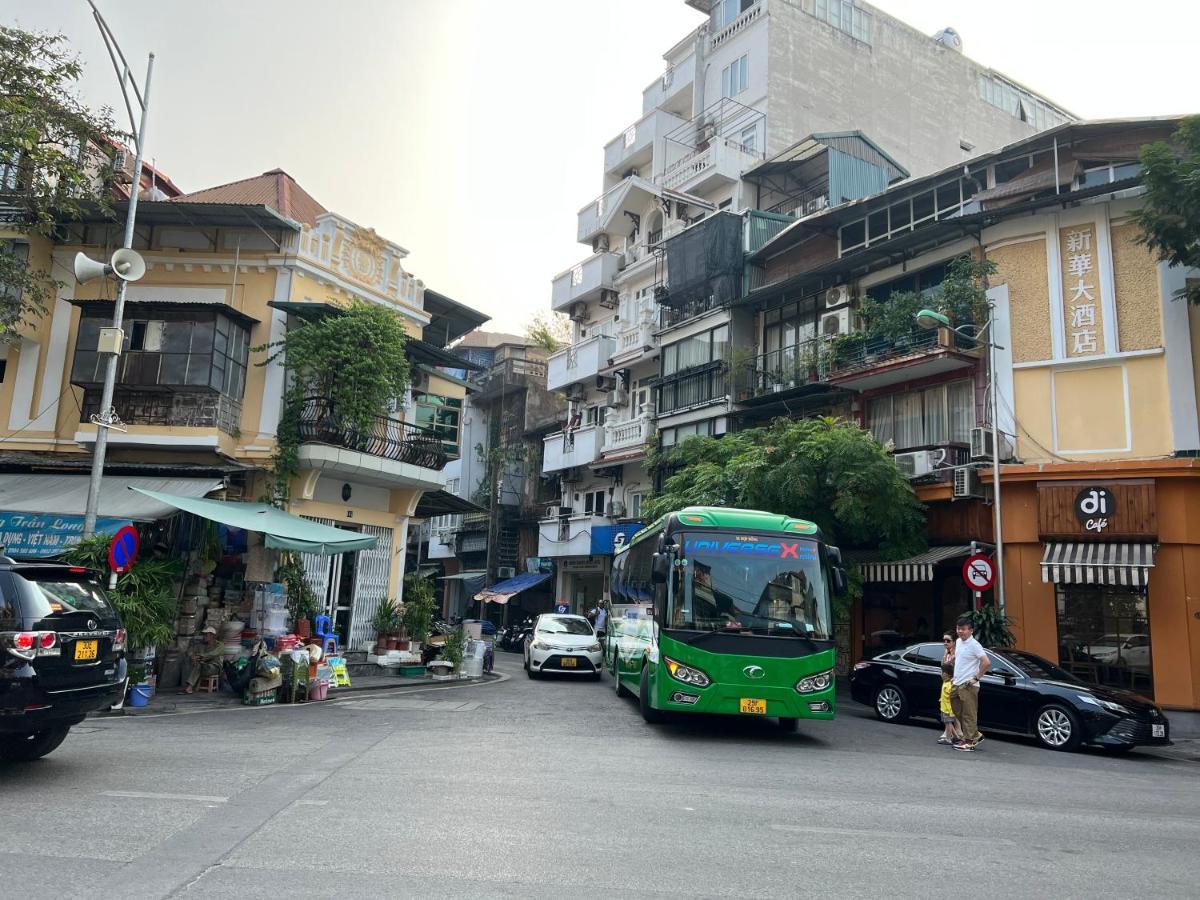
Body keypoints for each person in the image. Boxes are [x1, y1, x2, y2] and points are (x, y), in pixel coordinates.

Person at [950, 614, 990, 751]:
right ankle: (975, 734)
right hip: (956, 683)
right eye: (958, 628)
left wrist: (976, 678)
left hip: (969, 685)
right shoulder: (959, 642)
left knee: (968, 714)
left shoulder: (975, 645)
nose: (960, 631)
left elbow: (986, 662)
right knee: (956, 710)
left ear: (971, 630)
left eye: (963, 629)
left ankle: (969, 742)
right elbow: (960, 660)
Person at [185, 626, 224, 694]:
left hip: (214, 667)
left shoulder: (219, 645)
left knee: (199, 664)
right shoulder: (201, 645)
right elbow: (189, 651)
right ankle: (190, 687)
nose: (204, 636)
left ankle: (190, 687)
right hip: (203, 666)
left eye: (206, 635)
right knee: (196, 664)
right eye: (204, 634)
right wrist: (193, 656)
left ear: (212, 635)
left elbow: (213, 654)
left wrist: (200, 656)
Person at [937, 662, 963, 746]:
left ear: (946, 674)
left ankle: (948, 739)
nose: (941, 674)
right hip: (945, 707)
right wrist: (942, 698)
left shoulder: (948, 685)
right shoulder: (947, 683)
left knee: (948, 723)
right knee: (948, 722)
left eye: (942, 672)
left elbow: (951, 696)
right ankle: (956, 737)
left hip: (948, 709)